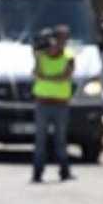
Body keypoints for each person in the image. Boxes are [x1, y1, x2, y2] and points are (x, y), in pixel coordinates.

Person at [31, 26, 75, 183]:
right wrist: (37, 56)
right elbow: (36, 73)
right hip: (42, 103)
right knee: (40, 141)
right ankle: (37, 172)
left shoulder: (68, 57)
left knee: (60, 140)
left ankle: (64, 171)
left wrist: (47, 78)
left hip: (60, 104)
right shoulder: (41, 57)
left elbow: (65, 76)